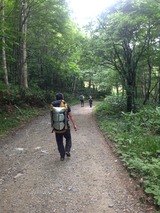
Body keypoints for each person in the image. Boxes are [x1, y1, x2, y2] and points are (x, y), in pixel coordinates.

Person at [51, 93, 77, 161]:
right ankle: (67, 150)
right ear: (62, 98)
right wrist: (74, 124)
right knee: (68, 138)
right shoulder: (65, 105)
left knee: (59, 142)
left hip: (57, 128)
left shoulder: (53, 105)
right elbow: (71, 116)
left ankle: (62, 156)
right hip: (65, 127)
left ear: (56, 98)